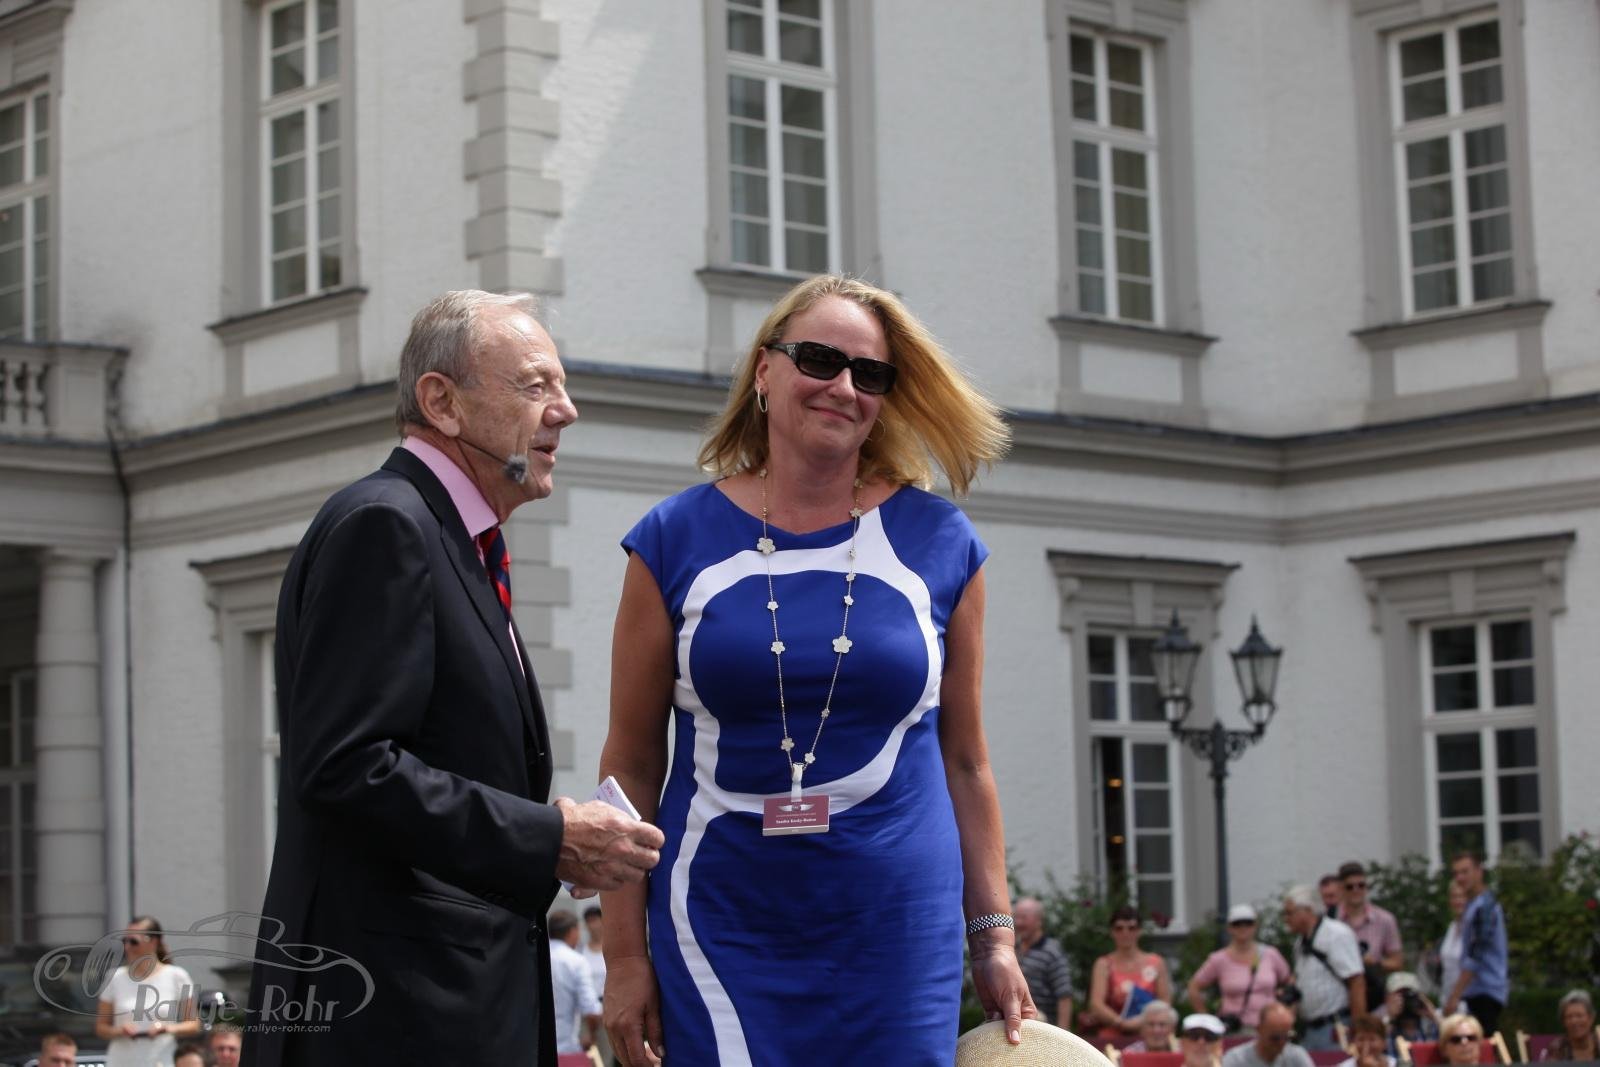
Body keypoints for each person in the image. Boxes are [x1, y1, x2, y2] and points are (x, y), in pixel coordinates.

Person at [600, 274, 1023, 1067]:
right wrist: (623, 956)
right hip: (717, 922)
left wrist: (993, 936)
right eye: (821, 360)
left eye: (871, 373)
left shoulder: (942, 542)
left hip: (895, 934)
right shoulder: (671, 540)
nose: (844, 387)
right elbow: (629, 762)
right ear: (765, 370)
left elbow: (966, 761)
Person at [244, 290, 665, 1066]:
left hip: (443, 1009)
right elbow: (346, 766)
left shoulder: (450, 539)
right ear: (441, 401)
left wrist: (551, 836)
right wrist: (549, 837)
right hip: (393, 1020)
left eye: (563, 385)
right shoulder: (387, 524)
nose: (566, 410)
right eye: (535, 385)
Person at [95, 916, 202, 1067]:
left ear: (154, 942)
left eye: (134, 941)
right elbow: (101, 1027)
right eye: (124, 941)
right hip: (122, 1060)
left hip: (162, 1059)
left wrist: (166, 1028)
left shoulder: (177, 976)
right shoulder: (115, 977)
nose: (128, 947)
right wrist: (120, 1030)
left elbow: (193, 1024)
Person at [1282, 885, 1367, 1050]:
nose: (1286, 919)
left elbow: (1357, 982)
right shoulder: (1300, 944)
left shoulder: (1336, 934)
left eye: (1289, 913)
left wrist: (1360, 1030)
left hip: (1337, 1027)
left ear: (1307, 910)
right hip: (1310, 1030)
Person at [1187, 903, 1292, 1033]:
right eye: (1237, 924)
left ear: (1255, 926)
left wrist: (1287, 1012)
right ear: (1229, 928)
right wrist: (1207, 1021)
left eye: (1248, 923)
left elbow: (1289, 981)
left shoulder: (1270, 954)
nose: (1243, 928)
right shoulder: (1219, 959)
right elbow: (1194, 986)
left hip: (1269, 1027)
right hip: (1236, 1029)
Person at [1442, 851, 1507, 1034]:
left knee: (1481, 1044)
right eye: (1456, 873)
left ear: (1479, 871)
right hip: (1476, 991)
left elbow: (1475, 956)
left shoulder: (1484, 907)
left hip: (1485, 990)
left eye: (1465, 871)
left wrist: (1454, 996)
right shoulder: (1473, 905)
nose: (1460, 878)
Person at [1089, 906, 1175, 1040]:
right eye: (1119, 928)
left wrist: (1142, 1021)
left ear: (1139, 931)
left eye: (1131, 928)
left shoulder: (1156, 963)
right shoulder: (1104, 964)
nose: (1125, 933)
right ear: (1112, 932)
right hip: (1112, 1034)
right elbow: (1096, 1004)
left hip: (1151, 1035)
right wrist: (1120, 1023)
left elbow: (1165, 1003)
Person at [1015, 897, 1075, 1029]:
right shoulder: (1012, 949)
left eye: (1024, 918)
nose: (1018, 922)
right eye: (1016, 917)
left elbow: (1064, 996)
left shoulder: (1052, 952)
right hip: (1014, 1021)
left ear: (1039, 921)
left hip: (1043, 1025)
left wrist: (1062, 1033)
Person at [550, 910, 604, 1055]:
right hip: (566, 1047)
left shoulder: (533, 957)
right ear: (572, 932)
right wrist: (591, 1036)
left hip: (533, 1048)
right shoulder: (576, 961)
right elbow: (591, 1011)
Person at [1337, 862, 1403, 976]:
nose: (1356, 890)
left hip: (1372, 982)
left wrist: (1374, 963)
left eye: (1361, 885)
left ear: (1366, 887)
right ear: (1341, 889)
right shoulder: (1332, 919)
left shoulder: (1385, 919)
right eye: (1350, 887)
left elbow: (1397, 962)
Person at [1221, 1003, 1313, 1067]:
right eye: (1275, 1038)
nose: (1282, 1042)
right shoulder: (1236, 1059)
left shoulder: (1297, 1056)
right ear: (1259, 1030)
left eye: (1287, 1037)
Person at [1380, 972, 1439, 1053]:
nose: (1406, 1000)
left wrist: (1433, 1015)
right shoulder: (1382, 1025)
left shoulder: (1429, 1026)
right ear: (1387, 998)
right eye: (1400, 995)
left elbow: (1451, 1039)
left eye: (1409, 994)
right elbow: (1376, 1042)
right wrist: (1391, 1018)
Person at [1538, 990, 1598, 1062]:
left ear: (1591, 1018)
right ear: (1563, 1022)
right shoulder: (1557, 1048)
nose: (1574, 1021)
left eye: (1579, 1015)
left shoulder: (1598, 1043)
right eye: (1569, 1017)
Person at [1434, 881, 1469, 1001]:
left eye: (1462, 896)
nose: (1458, 901)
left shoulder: (1474, 928)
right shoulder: (1451, 927)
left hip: (1467, 998)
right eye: (1454, 897)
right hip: (1447, 998)